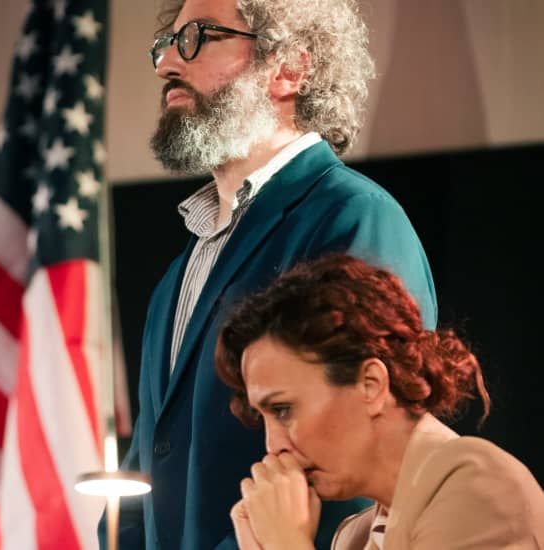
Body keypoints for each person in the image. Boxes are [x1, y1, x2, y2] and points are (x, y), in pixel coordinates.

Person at [98, 0, 439, 548]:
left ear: (289, 67)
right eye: (167, 44)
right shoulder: (179, 273)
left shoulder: (353, 217)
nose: (167, 65)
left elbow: (355, 464)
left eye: (198, 37)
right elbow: (145, 468)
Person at [215, 253, 544, 550]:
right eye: (263, 417)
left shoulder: (474, 488)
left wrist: (285, 543)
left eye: (283, 410)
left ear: (370, 384)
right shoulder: (355, 536)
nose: (273, 447)